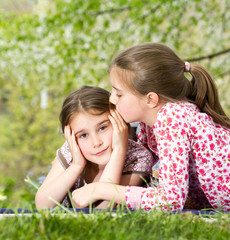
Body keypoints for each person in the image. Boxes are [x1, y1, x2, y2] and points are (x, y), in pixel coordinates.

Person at [71, 43, 230, 212]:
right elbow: (143, 176)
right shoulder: (150, 125)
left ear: (150, 99)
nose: (111, 99)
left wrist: (101, 190)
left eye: (119, 93)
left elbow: (171, 200)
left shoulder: (173, 119)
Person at [35, 85, 154, 209]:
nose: (96, 143)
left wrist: (119, 150)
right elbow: (43, 205)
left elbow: (103, 209)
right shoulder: (71, 152)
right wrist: (76, 166)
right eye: (83, 135)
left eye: (102, 128)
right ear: (71, 138)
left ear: (120, 122)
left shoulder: (138, 157)